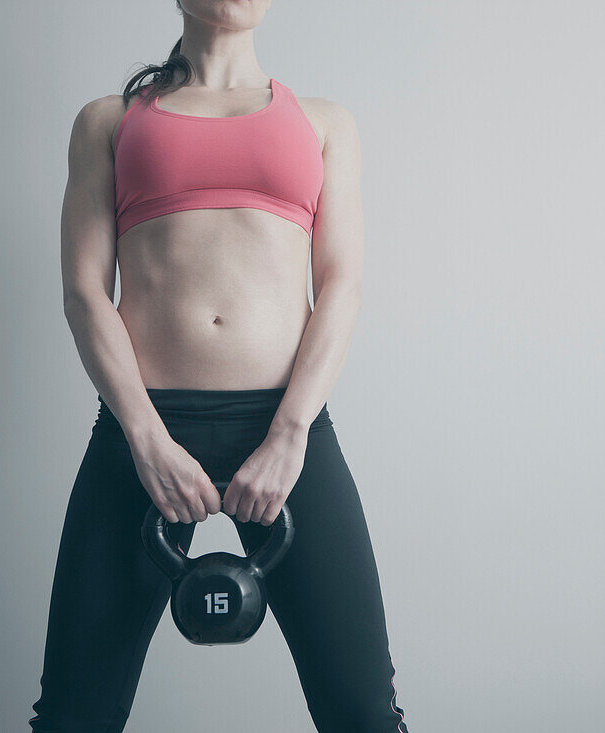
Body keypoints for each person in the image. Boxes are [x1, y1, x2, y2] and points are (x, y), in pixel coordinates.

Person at [28, 1, 408, 730]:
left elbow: (342, 286)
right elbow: (84, 291)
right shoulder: (109, 121)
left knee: (363, 711)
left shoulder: (325, 123)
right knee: (73, 715)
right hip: (143, 434)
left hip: (286, 433)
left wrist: (291, 432)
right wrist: (144, 437)